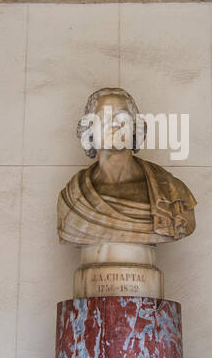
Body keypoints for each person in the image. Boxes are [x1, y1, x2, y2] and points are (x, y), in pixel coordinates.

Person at [58, 88, 196, 246]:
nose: (113, 125)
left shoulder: (172, 193)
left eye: (121, 117)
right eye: (103, 117)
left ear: (136, 127)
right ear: (89, 130)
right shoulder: (72, 197)